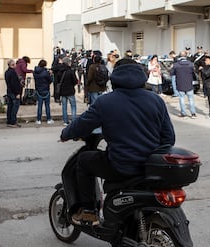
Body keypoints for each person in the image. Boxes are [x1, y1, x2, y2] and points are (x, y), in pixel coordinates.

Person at [59, 59, 175, 226]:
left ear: (114, 78)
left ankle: (89, 210)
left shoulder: (105, 102)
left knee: (83, 160)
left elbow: (81, 124)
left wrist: (65, 134)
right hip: (151, 168)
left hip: (122, 166)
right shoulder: (155, 100)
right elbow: (169, 138)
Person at [171, 51, 196, 118]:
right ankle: (193, 113)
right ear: (186, 56)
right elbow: (194, 74)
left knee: (182, 99)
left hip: (180, 83)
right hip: (189, 84)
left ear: (179, 56)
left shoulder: (176, 65)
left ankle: (183, 113)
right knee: (191, 99)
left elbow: (172, 73)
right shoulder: (191, 64)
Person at [57, 57, 78, 126]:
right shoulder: (70, 71)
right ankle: (74, 120)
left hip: (62, 91)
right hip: (70, 91)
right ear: (68, 63)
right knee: (73, 106)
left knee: (64, 107)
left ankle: (65, 121)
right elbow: (75, 81)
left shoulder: (60, 71)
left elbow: (57, 80)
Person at [33, 59, 54, 125]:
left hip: (38, 90)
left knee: (39, 105)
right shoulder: (46, 73)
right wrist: (51, 74)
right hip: (46, 90)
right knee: (47, 105)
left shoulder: (35, 72)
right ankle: (49, 119)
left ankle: (38, 119)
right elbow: (50, 81)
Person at [4, 59, 22, 127]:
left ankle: (9, 121)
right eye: (14, 64)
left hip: (9, 91)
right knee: (15, 107)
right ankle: (13, 122)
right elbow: (14, 84)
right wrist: (17, 93)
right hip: (14, 93)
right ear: (12, 65)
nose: (15, 65)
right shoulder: (13, 72)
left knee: (10, 107)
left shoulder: (7, 72)